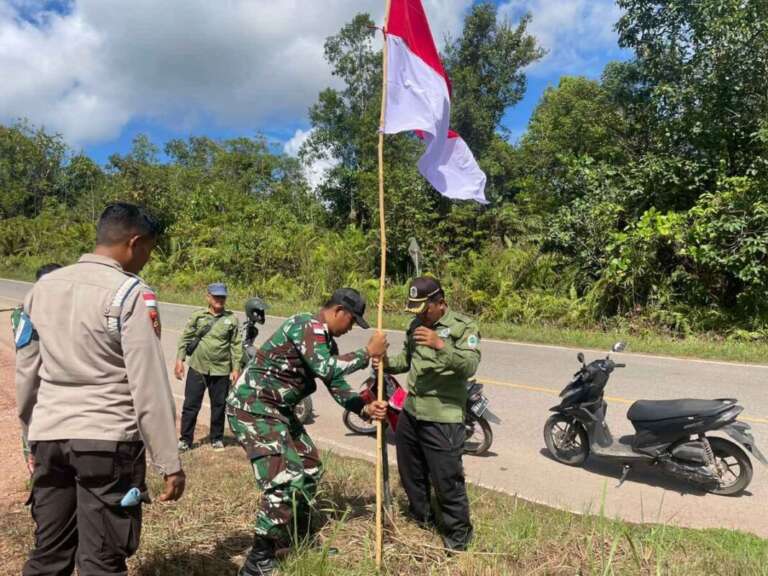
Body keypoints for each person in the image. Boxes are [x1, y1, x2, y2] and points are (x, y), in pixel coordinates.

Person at [14, 202, 185, 576]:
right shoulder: (129, 293)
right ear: (134, 242)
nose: (146, 260)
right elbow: (149, 385)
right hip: (107, 444)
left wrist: (32, 437)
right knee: (101, 561)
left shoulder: (41, 290)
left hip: (49, 439)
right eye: (148, 251)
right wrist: (169, 462)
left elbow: (27, 374)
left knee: (49, 553)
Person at [226, 288, 389, 576]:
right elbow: (326, 367)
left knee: (310, 467)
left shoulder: (324, 340)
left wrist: (364, 409)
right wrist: (367, 353)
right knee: (281, 478)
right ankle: (258, 560)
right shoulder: (305, 325)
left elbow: (336, 385)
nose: (350, 328)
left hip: (278, 410)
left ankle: (297, 538)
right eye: (351, 321)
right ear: (339, 311)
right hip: (253, 407)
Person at [375, 276, 481, 551]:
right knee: (411, 472)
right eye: (416, 311)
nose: (420, 315)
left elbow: (470, 366)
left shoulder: (463, 326)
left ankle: (458, 538)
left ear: (440, 303)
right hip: (411, 412)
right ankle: (422, 517)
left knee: (447, 480)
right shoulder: (415, 326)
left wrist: (440, 345)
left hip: (443, 417)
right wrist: (383, 362)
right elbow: (405, 361)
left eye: (425, 309)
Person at [175, 283, 243, 451]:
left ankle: (217, 438)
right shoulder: (198, 316)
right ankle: (185, 440)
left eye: (222, 297)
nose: (219, 300)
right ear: (208, 297)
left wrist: (236, 369)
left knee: (219, 406)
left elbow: (236, 345)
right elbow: (185, 338)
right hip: (198, 367)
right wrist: (179, 360)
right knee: (190, 405)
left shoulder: (231, 319)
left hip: (221, 370)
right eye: (216, 296)